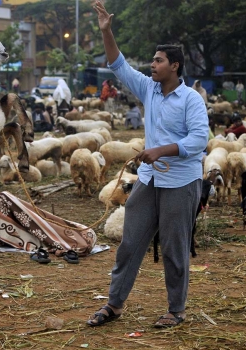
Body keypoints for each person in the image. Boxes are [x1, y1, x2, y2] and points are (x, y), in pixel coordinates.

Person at [88, 0, 208, 328]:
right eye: (153, 60)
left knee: (173, 248)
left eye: (158, 61)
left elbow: (200, 140)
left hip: (181, 183)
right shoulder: (149, 89)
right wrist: (107, 31)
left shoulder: (191, 100)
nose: (152, 65)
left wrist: (162, 150)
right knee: (129, 243)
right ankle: (114, 304)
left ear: (175, 66)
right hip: (149, 178)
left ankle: (176, 310)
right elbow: (118, 65)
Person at [0, 191, 97, 264]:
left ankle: (68, 239)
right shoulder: (2, 219)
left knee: (45, 227)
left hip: (34, 225)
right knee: (2, 198)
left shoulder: (11, 211)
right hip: (12, 219)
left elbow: (32, 221)